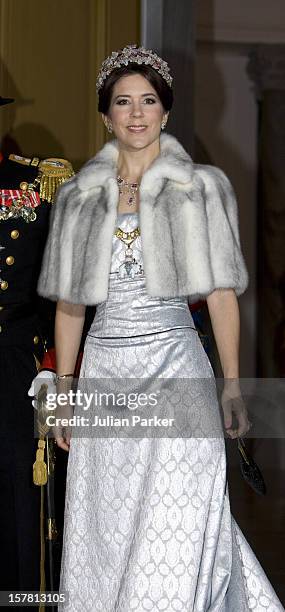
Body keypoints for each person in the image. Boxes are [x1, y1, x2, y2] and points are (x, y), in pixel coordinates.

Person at [37, 45, 284, 611]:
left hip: (177, 371)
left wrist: (231, 384)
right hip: (105, 377)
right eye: (123, 102)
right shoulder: (79, 198)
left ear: (166, 112)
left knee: (173, 527)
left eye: (148, 101)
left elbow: (221, 296)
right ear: (106, 115)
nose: (137, 113)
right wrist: (64, 393)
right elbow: (71, 305)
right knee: (114, 529)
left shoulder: (200, 189)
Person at [0, 92, 74, 602]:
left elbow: (61, 296)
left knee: (18, 511)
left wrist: (51, 366)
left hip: (11, 369)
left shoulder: (36, 185)